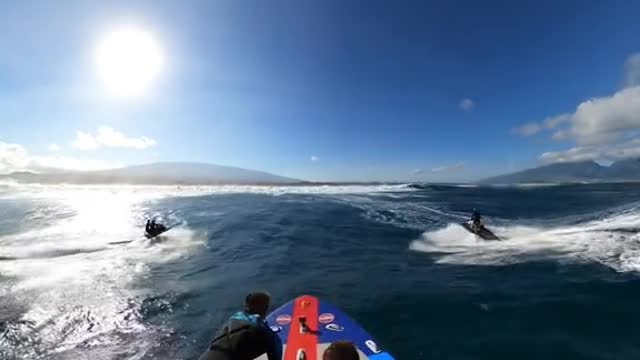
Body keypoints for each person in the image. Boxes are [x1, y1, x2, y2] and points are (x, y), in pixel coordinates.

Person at [199, 291, 283, 360]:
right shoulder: (262, 331)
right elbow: (276, 352)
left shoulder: (231, 321)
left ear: (246, 306)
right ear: (266, 308)